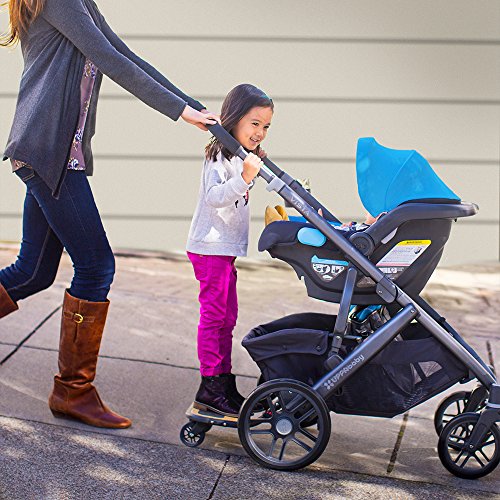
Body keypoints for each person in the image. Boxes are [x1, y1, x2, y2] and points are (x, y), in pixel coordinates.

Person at [0, 0, 219, 429]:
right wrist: (181, 113)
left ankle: (72, 392)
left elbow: (123, 53)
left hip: (49, 153)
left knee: (33, 272)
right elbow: (110, 60)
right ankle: (72, 391)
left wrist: (194, 108)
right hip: (48, 152)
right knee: (96, 266)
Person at [186, 83, 274, 416]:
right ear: (235, 119)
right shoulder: (218, 157)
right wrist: (246, 177)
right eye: (255, 123)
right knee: (214, 318)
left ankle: (223, 383)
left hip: (224, 250)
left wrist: (251, 168)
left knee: (227, 317)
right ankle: (210, 386)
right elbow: (215, 197)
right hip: (210, 248)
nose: (260, 132)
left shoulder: (239, 156)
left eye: (266, 126)